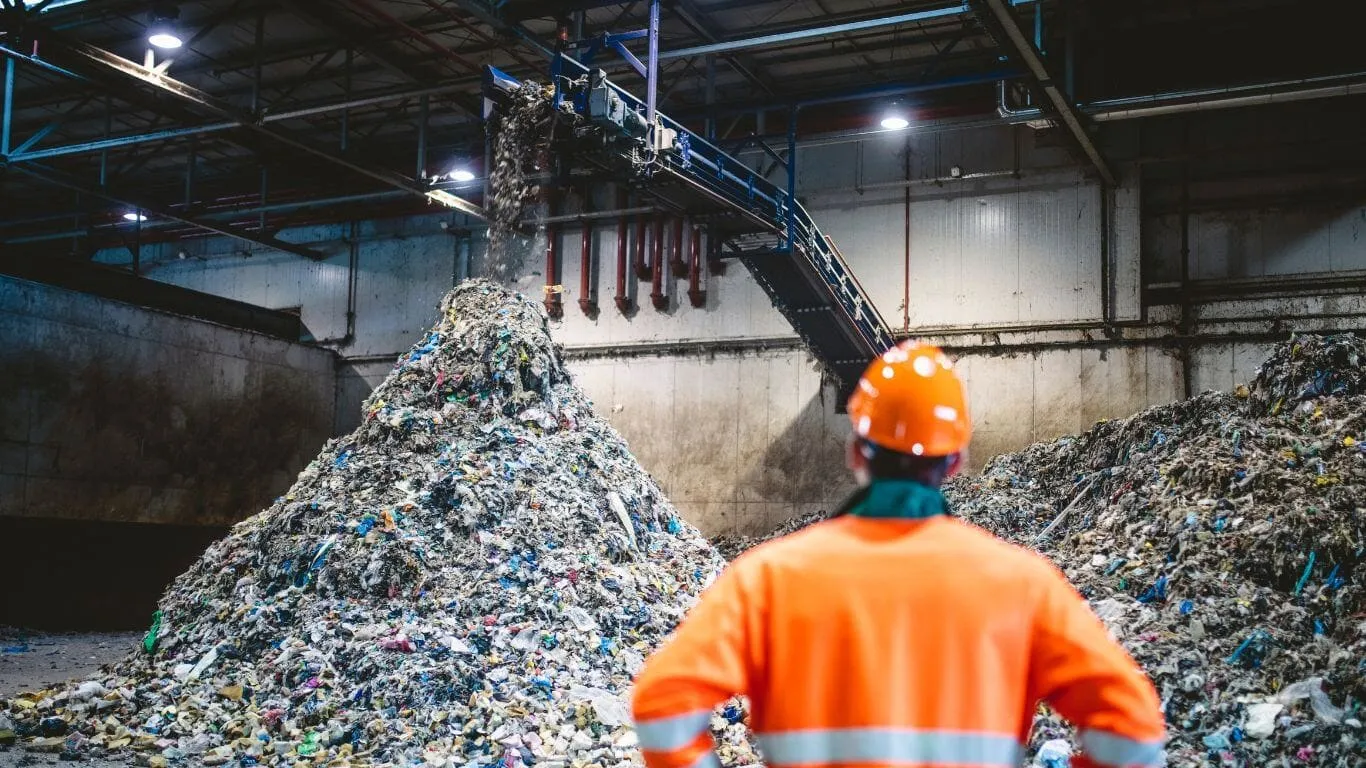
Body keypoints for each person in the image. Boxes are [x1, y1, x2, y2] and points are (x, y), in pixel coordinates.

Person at [631, 341, 1166, 768]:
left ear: (856, 451)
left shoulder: (768, 578)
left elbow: (661, 706)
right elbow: (1134, 730)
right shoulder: (1024, 584)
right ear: (954, 462)